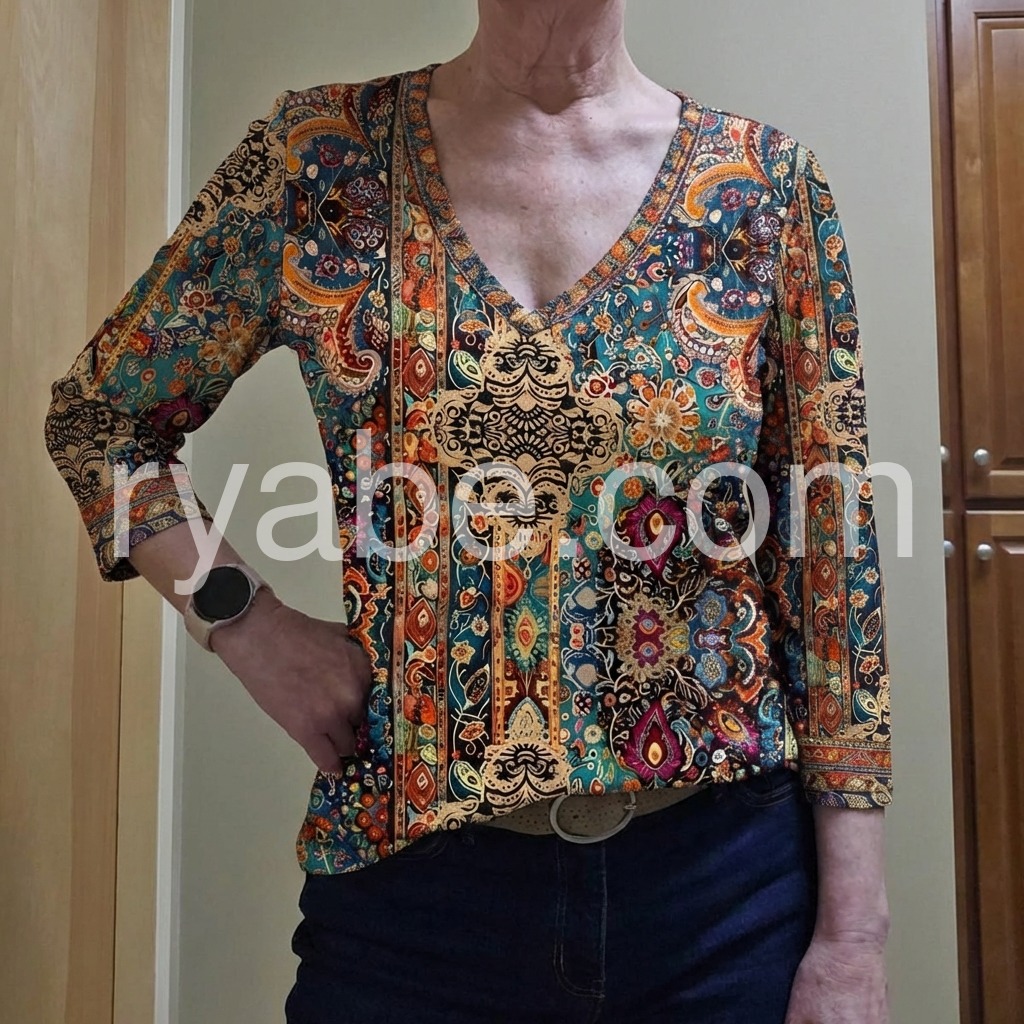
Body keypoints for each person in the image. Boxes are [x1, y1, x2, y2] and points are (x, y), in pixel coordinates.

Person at [43, 1, 893, 1020]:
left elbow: (832, 565)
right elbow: (101, 420)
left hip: (720, 896)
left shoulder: (762, 188)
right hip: (414, 896)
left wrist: (855, 936)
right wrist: (245, 622)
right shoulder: (319, 160)